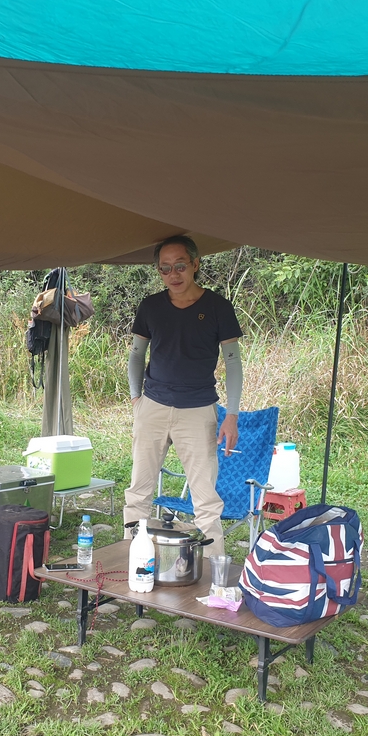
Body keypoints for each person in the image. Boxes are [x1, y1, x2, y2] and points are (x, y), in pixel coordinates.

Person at [124, 235, 243, 557]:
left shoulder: (218, 307)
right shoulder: (151, 306)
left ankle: (212, 571)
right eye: (165, 269)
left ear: (195, 264)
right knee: (138, 492)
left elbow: (233, 363)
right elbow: (136, 355)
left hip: (198, 410)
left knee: (205, 500)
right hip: (152, 406)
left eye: (179, 266)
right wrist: (136, 399)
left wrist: (232, 415)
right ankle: (133, 561)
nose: (173, 275)